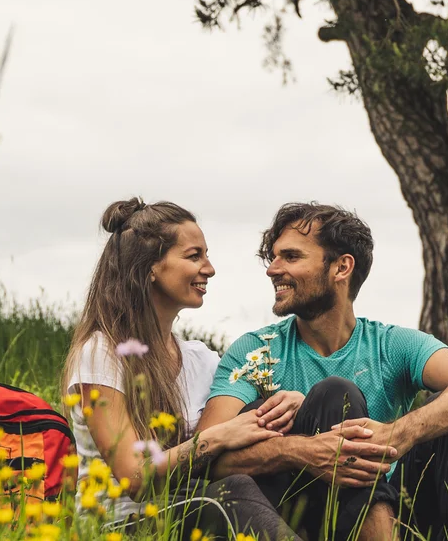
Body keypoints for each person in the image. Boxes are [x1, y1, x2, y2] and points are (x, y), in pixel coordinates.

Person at [198, 203, 448, 541]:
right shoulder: (256, 351)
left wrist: (398, 433)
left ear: (341, 267)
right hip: (312, 517)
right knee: (335, 394)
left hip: (400, 510)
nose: (272, 270)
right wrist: (301, 451)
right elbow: (205, 457)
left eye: (290, 257)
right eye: (273, 258)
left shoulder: (392, 344)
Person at [62, 198, 304, 539]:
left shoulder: (200, 358)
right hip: (122, 525)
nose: (210, 268)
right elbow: (133, 478)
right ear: (150, 267)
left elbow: (249, 424)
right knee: (233, 495)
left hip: (191, 509)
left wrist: (290, 402)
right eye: (194, 256)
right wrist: (216, 437)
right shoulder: (102, 353)